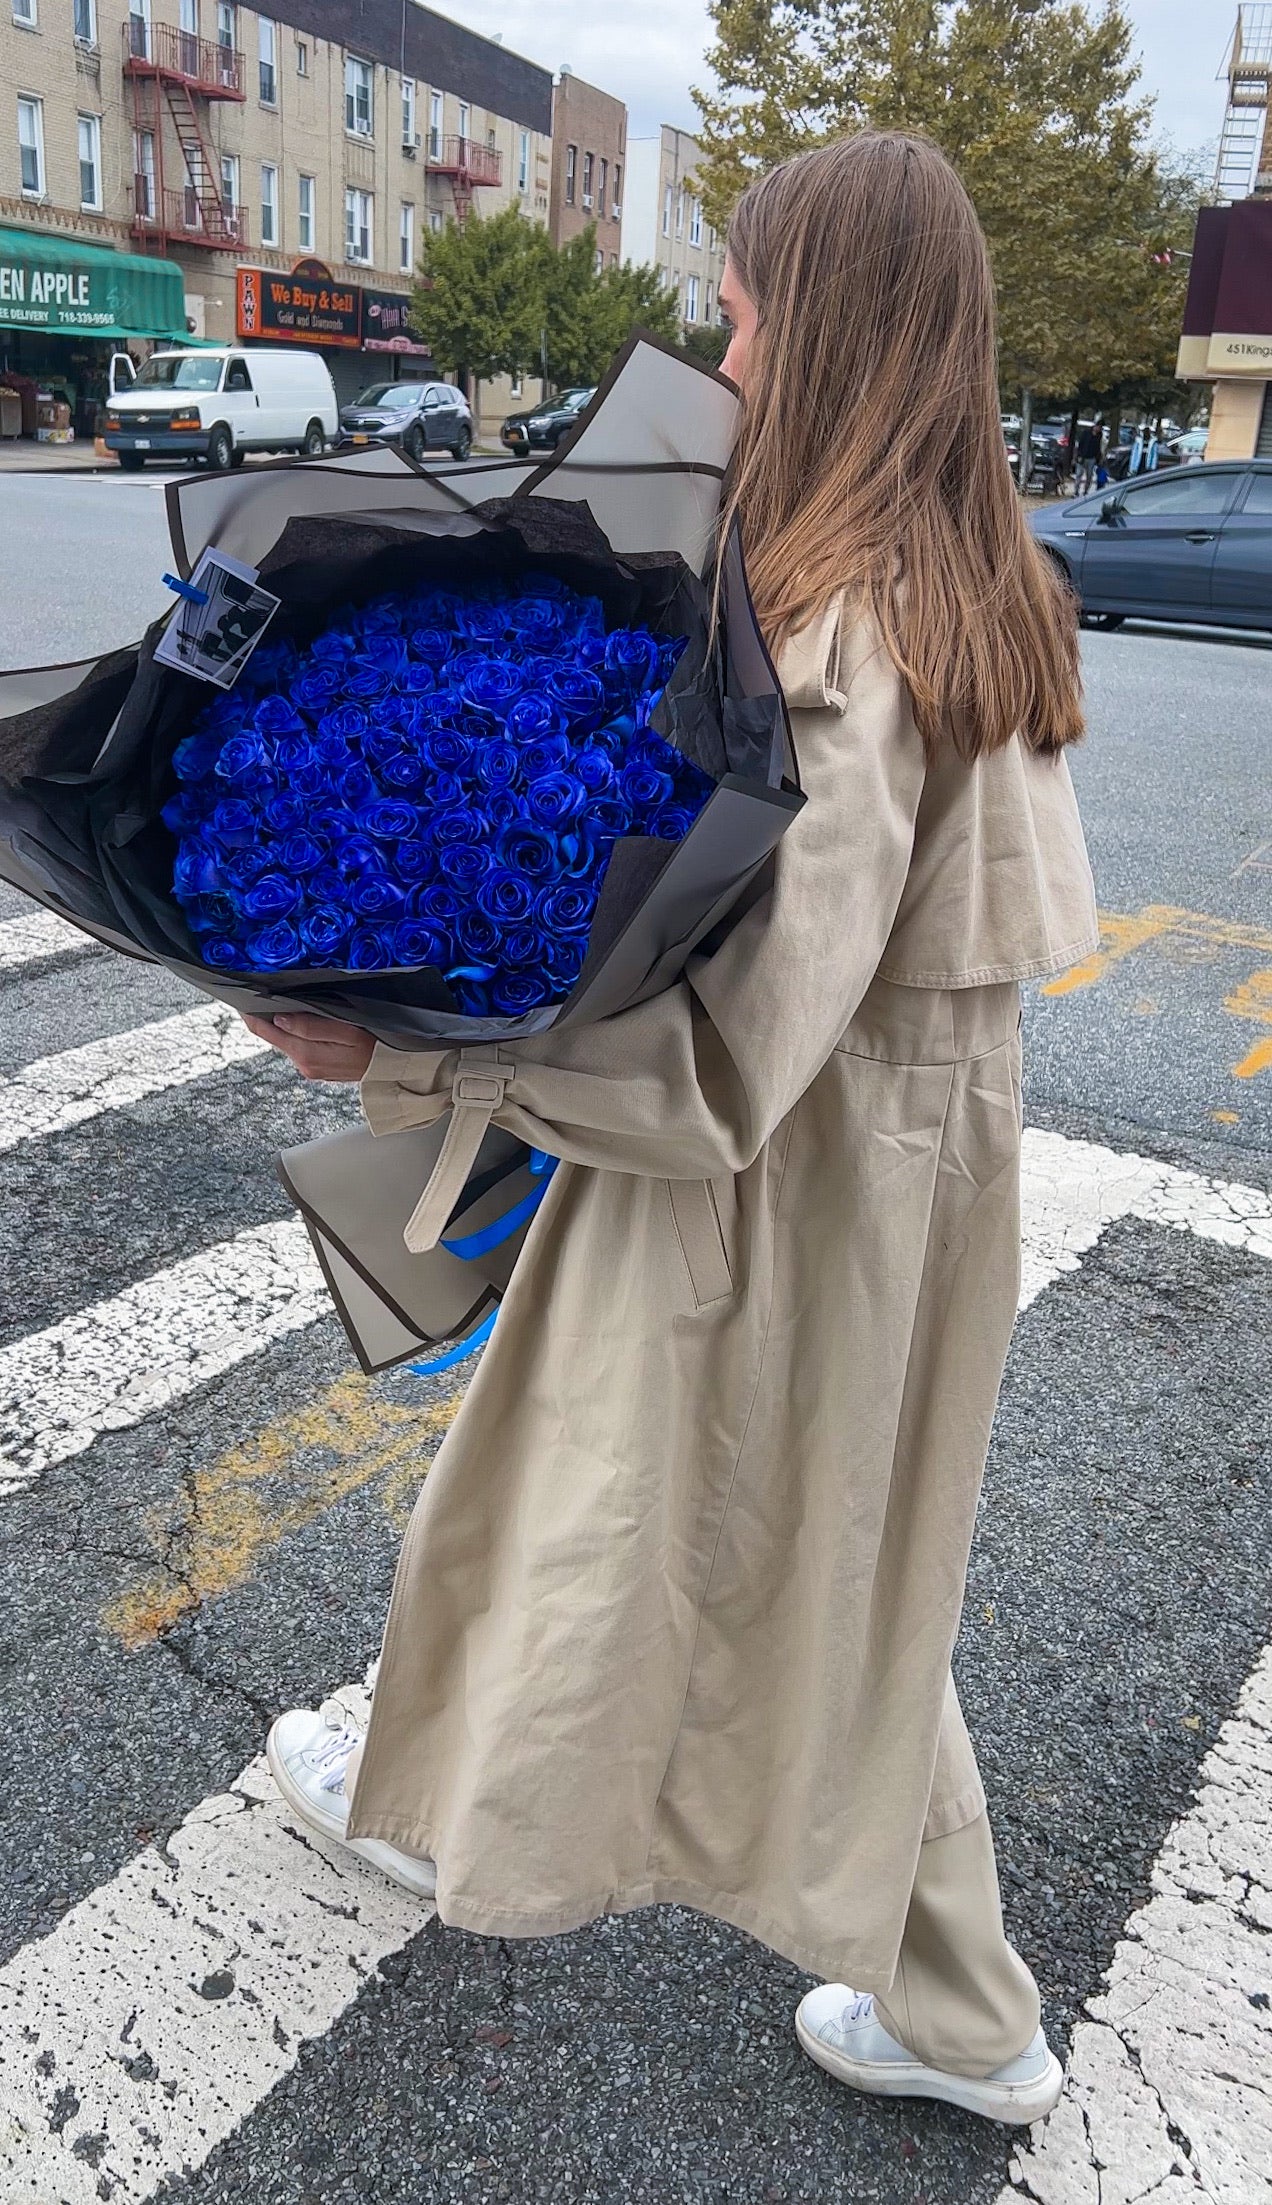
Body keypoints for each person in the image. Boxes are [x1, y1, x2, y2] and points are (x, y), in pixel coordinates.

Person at [248, 130, 1098, 2126]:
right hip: (887, 1172)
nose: (714, 331)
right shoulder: (982, 576)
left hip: (779, 1186)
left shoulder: (853, 629)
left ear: (825, 328)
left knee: (603, 1499)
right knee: (844, 1567)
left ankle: (435, 1812)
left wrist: (400, 1059)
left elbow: (727, 1058)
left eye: (740, 301)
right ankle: (965, 2011)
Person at [1073, 418, 1103, 496]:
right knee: (1079, 474)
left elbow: (1098, 447)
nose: (1099, 429)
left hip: (1092, 458)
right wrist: (1079, 455)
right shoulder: (1086, 433)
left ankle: (1085, 491)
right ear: (1095, 426)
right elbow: (1081, 444)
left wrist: (1098, 458)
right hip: (1083, 456)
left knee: (1089, 476)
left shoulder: (1100, 435)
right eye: (1098, 427)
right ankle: (1076, 491)